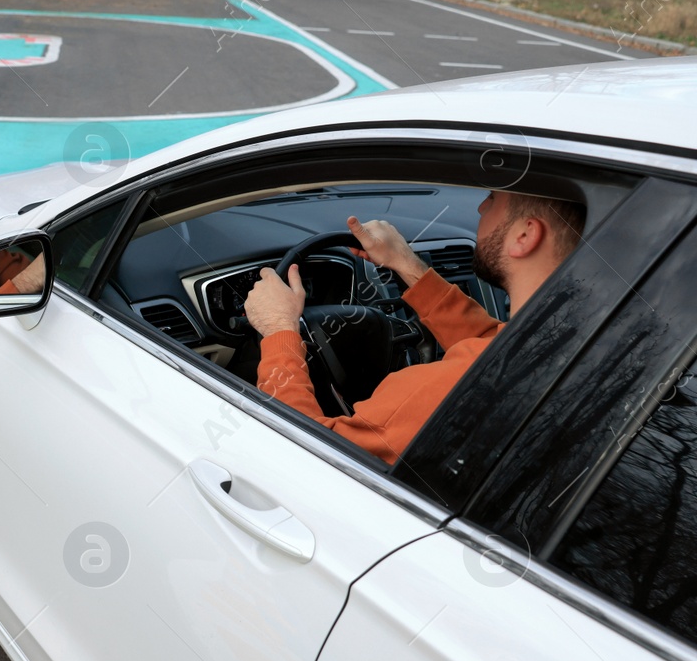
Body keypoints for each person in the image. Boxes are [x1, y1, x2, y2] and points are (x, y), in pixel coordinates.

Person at [242, 191, 585, 464]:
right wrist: (406, 264)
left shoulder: (433, 393)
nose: (481, 206)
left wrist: (278, 329)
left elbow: (299, 450)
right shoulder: (575, 336)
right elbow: (488, 344)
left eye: (493, 197)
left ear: (525, 234)